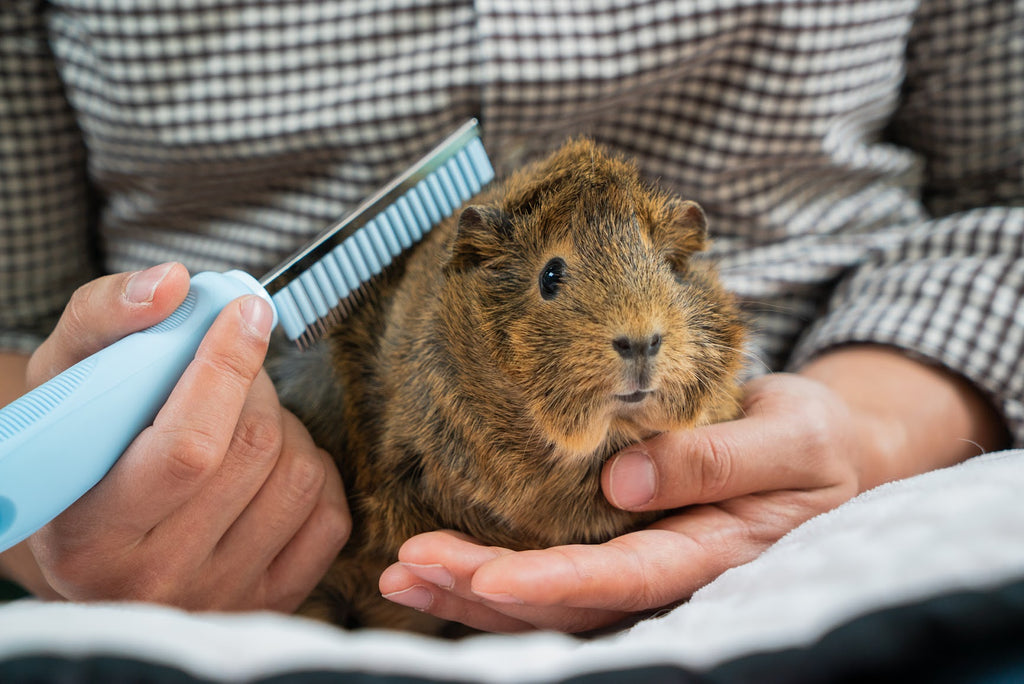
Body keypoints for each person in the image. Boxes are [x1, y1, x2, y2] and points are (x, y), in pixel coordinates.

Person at [0, 0, 1019, 634]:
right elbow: (16, 318)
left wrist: (879, 425)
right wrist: (54, 532)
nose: (634, 333)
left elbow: (1005, 191)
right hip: (247, 582)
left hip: (832, 529)